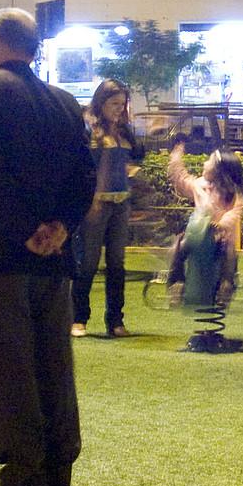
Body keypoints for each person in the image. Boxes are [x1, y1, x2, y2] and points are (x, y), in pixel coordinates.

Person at [0, 8, 97, 486]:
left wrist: (24, 232)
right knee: (54, 357)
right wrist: (59, 228)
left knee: (7, 362)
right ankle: (60, 462)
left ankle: (23, 468)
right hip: (54, 259)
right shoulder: (64, 102)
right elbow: (84, 177)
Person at [72, 79, 145, 339]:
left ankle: (115, 321)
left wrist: (132, 124)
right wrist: (87, 200)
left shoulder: (123, 131)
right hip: (96, 202)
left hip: (120, 203)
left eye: (122, 104)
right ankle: (79, 318)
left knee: (117, 263)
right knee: (88, 261)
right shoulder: (90, 129)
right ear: (101, 103)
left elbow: (139, 154)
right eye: (114, 104)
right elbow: (82, 165)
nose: (119, 109)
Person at [163, 141, 243, 309]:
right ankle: (176, 282)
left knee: (229, 251)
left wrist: (221, 224)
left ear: (219, 172)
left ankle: (226, 285)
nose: (204, 164)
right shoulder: (199, 185)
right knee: (179, 245)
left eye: (209, 162)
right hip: (197, 234)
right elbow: (180, 178)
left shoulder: (230, 193)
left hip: (218, 237)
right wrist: (176, 157)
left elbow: (235, 212)